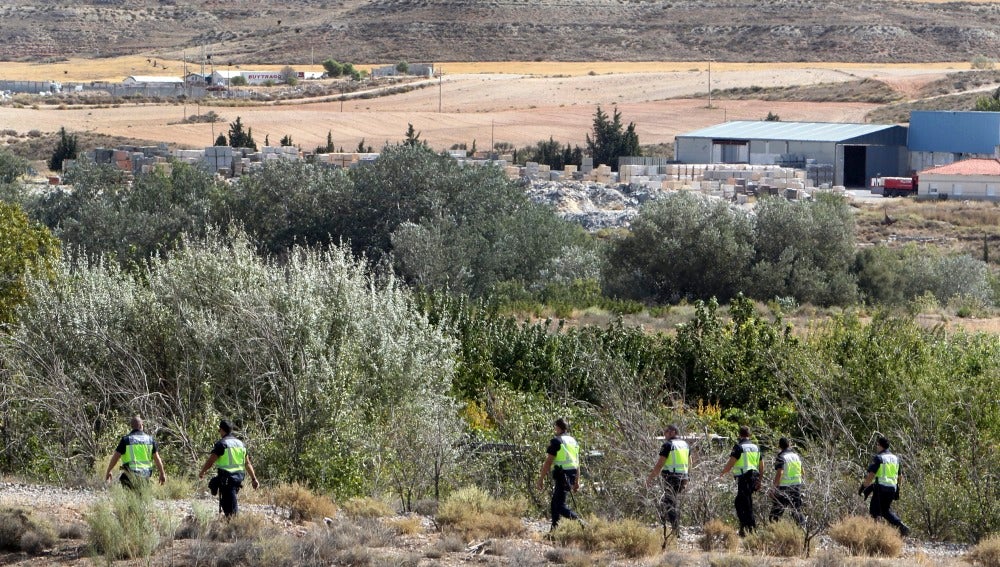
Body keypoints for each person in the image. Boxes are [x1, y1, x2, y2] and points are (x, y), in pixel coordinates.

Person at [199, 419, 260, 516]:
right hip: (238, 478)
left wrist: (202, 472)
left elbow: (210, 461)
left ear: (222, 430)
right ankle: (231, 522)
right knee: (228, 503)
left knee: (231, 509)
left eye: (219, 430)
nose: (219, 433)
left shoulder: (222, 444)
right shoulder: (241, 444)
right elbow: (247, 463)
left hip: (227, 479)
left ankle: (234, 526)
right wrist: (254, 479)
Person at [536, 417, 582, 529]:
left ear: (557, 427)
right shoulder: (573, 441)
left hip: (562, 475)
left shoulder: (557, 441)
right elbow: (577, 463)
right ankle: (554, 529)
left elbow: (548, 462)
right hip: (571, 474)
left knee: (560, 505)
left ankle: (580, 522)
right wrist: (577, 481)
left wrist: (541, 479)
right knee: (554, 503)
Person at [860, 436, 910, 536]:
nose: (876, 447)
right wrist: (897, 489)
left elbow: (871, 475)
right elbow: (900, 477)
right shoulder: (896, 459)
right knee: (885, 510)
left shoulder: (879, 458)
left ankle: (876, 534)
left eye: (877, 445)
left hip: (881, 488)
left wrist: (863, 487)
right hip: (892, 488)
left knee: (874, 511)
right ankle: (901, 526)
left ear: (880, 446)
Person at [645, 424, 690, 533]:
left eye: (666, 431)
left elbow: (660, 464)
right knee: (673, 502)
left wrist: (649, 479)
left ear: (673, 432)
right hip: (683, 477)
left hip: (672, 477)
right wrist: (688, 477)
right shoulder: (685, 444)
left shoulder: (668, 445)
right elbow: (690, 462)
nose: (665, 434)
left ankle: (675, 530)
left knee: (669, 503)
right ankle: (674, 527)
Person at [719, 425, 762, 536]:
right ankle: (746, 528)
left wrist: (723, 472)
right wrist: (759, 480)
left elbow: (731, 462)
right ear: (749, 435)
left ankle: (750, 529)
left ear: (739, 434)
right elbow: (762, 465)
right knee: (744, 502)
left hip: (745, 477)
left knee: (744, 504)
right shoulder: (756, 447)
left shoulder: (739, 447)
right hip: (754, 477)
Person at [104, 415, 166, 489]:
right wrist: (162, 473)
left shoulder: (126, 440)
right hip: (145, 476)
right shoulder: (150, 440)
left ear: (132, 426)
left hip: (129, 476)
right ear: (141, 425)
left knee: (129, 498)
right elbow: (157, 458)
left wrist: (109, 471)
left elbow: (115, 457)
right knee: (142, 498)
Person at [768, 437, 805, 525]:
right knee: (796, 511)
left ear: (779, 446)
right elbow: (803, 472)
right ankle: (803, 529)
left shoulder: (781, 457)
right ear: (789, 445)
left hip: (784, 488)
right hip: (796, 486)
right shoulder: (796, 456)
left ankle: (773, 531)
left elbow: (780, 473)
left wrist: (774, 488)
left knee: (775, 513)